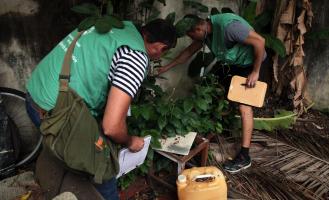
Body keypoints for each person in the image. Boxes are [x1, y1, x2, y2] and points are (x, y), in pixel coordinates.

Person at [25, 19, 177, 199]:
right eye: (163, 52)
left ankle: (61, 182)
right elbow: (111, 127)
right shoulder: (136, 57)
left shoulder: (117, 25)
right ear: (160, 47)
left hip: (35, 92)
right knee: (103, 169)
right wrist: (130, 141)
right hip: (54, 113)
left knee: (74, 155)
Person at [157, 13, 266, 173]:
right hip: (235, 64)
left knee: (244, 107)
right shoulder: (206, 34)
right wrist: (165, 68)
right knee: (221, 93)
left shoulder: (230, 27)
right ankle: (218, 131)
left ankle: (244, 156)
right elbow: (187, 53)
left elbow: (260, 41)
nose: (193, 40)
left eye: (192, 36)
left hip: (253, 63)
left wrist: (256, 71)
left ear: (200, 28)